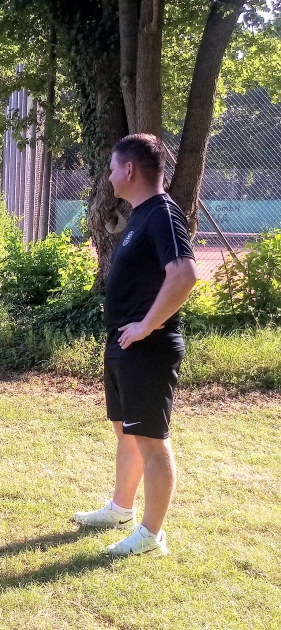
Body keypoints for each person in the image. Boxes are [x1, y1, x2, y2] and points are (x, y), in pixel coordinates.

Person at [74, 133, 198, 555]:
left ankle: (151, 534)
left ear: (129, 170)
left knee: (150, 439)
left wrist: (147, 325)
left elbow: (184, 275)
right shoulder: (141, 215)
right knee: (126, 432)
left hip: (148, 348)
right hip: (124, 345)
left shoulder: (162, 213)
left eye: (112, 168)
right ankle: (120, 508)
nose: (109, 176)